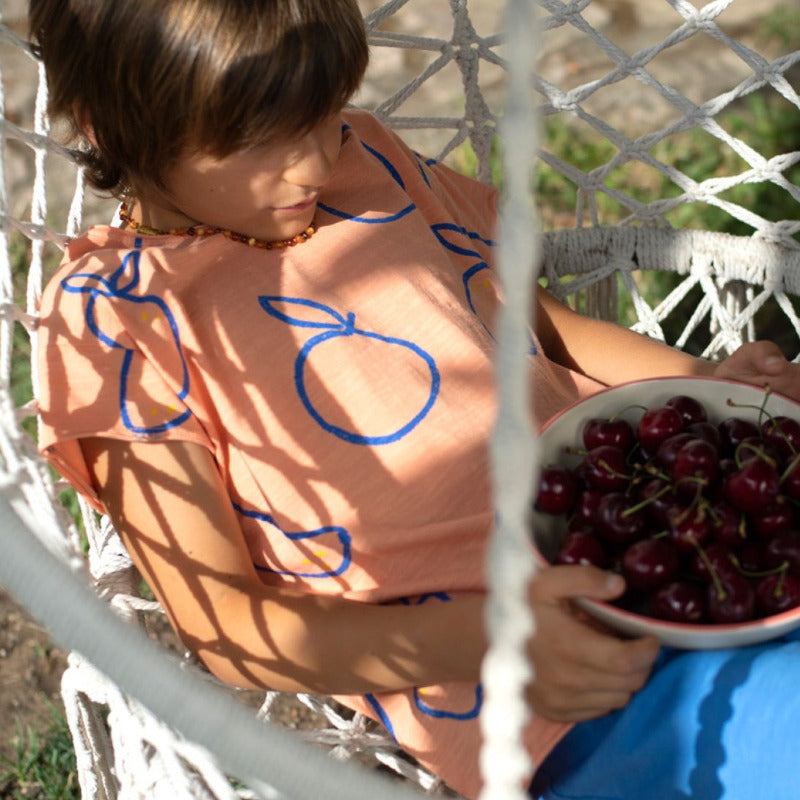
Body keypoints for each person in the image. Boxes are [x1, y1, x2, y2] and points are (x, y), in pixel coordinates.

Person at [28, 1, 800, 798]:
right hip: (573, 693)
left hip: (689, 538)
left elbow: (542, 330)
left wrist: (714, 390)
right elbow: (225, 623)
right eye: (262, 140)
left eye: (325, 116)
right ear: (107, 119)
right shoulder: (113, 316)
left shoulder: (374, 162)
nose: (316, 164)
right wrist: (486, 639)